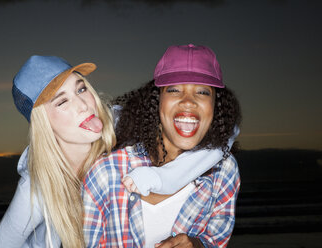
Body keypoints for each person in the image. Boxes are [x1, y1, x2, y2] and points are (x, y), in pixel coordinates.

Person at [83, 44, 242, 247]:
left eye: (202, 92)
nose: (188, 101)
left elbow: (216, 240)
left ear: (215, 106)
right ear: (157, 101)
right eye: (174, 90)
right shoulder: (107, 170)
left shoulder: (224, 171)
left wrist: (198, 244)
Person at [0, 55, 116, 248]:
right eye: (62, 102)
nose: (83, 105)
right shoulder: (36, 190)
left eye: (81, 89)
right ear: (43, 124)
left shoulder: (127, 132)